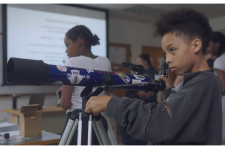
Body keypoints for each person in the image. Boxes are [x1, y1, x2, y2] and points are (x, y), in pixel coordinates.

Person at [84, 7, 223, 146]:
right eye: (165, 53)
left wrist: (111, 103)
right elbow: (186, 122)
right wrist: (169, 92)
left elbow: (159, 123)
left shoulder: (200, 84)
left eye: (172, 50)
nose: (167, 59)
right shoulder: (207, 81)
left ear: (196, 45)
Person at [56, 25, 112, 146]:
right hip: (99, 120)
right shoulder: (105, 61)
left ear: (79, 42)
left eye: (67, 45)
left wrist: (60, 98)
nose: (66, 50)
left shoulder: (71, 62)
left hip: (77, 123)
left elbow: (65, 104)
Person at [208, 31, 225, 139]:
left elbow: (222, 88)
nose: (209, 49)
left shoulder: (219, 61)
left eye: (210, 45)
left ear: (217, 44)